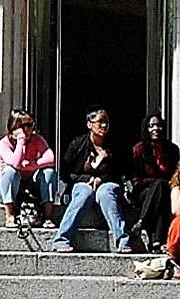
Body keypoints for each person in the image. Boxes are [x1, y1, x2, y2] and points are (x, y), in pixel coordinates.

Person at [53, 106, 132, 253]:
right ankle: (61, 239)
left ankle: (122, 240)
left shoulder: (116, 146)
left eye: (106, 122)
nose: (104, 126)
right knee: (84, 193)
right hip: (82, 184)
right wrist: (88, 179)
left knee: (106, 192)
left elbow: (123, 172)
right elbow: (65, 172)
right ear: (89, 124)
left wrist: (102, 179)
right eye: (100, 122)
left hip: (109, 184)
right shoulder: (78, 144)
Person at [0, 108, 59, 228]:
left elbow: (50, 158)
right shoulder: (4, 143)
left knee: (49, 172)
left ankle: (48, 216)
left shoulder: (36, 139)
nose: (30, 128)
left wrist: (33, 164)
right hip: (5, 188)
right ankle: (10, 215)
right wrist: (20, 141)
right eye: (26, 125)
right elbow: (14, 164)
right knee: (10, 171)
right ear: (16, 126)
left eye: (31, 124)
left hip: (29, 186)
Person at [129, 113, 180, 252]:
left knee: (162, 193)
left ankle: (143, 224)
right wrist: (157, 182)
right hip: (143, 191)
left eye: (158, 125)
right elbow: (136, 180)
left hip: (166, 190)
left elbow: (176, 175)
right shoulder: (138, 149)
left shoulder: (172, 149)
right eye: (151, 126)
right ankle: (157, 240)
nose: (155, 129)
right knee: (160, 188)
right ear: (146, 128)